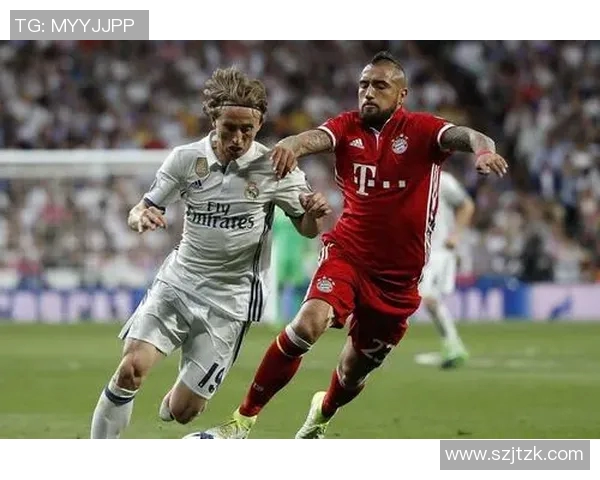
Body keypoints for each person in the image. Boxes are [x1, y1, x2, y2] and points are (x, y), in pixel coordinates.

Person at [198, 51, 508, 440]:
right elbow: (315, 137)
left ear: (402, 94)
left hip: (397, 281)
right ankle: (242, 421)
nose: (368, 92)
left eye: (380, 85)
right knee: (306, 325)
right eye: (363, 85)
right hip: (348, 255)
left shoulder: (423, 130)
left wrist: (484, 150)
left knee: (351, 372)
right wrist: (292, 144)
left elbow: (470, 135)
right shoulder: (347, 127)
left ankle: (322, 413)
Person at [89, 66, 331, 439]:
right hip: (178, 284)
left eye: (247, 130)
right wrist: (141, 216)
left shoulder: (275, 167)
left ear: (260, 124)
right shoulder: (185, 159)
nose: (238, 138)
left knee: (184, 412)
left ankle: (178, 402)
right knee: (130, 369)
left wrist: (313, 214)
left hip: (231, 301)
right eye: (229, 128)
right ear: (213, 120)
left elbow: (307, 228)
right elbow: (143, 207)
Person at [417, 170, 475, 369]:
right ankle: (453, 346)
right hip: (416, 251)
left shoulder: (443, 181)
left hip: (438, 251)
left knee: (428, 297)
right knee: (427, 300)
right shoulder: (404, 179)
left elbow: (466, 205)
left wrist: (456, 235)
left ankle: (454, 346)